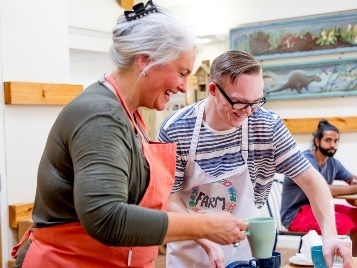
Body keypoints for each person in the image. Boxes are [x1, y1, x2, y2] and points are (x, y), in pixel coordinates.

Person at [11, 2, 248, 267]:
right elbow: (106, 218)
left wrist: (203, 230)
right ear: (146, 60)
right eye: (181, 73)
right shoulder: (100, 116)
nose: (183, 87)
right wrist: (203, 225)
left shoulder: (129, 114)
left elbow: (139, 205)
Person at [158, 50, 353, 268]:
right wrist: (206, 240)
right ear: (213, 90)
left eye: (256, 101)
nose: (249, 112)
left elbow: (311, 180)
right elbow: (169, 198)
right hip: (190, 249)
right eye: (240, 102)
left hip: (244, 249)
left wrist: (330, 235)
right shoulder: (177, 129)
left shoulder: (266, 125)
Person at [281, 119, 357, 256]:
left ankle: (353, 260)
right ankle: (342, 262)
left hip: (318, 208)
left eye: (335, 141)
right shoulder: (305, 160)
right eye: (328, 140)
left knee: (355, 216)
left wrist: (353, 181)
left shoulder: (332, 162)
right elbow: (324, 189)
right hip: (295, 213)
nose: (332, 145)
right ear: (317, 141)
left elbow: (352, 179)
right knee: (343, 223)